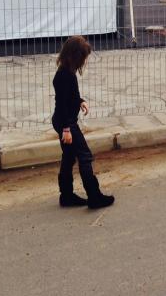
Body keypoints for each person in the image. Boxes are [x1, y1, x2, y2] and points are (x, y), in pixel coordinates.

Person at [52, 35, 114, 209]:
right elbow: (63, 104)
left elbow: (69, 96)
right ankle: (94, 197)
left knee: (69, 156)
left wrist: (80, 101)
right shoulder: (65, 76)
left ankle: (66, 196)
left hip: (64, 120)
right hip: (66, 122)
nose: (84, 61)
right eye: (83, 57)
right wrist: (66, 129)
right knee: (85, 156)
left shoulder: (66, 72)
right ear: (75, 56)